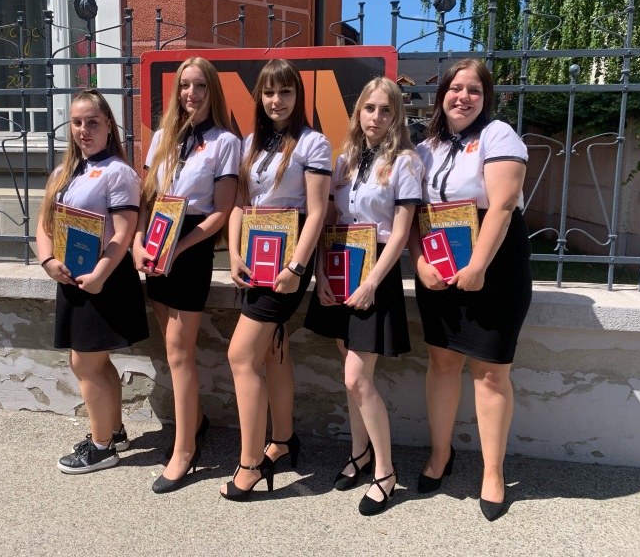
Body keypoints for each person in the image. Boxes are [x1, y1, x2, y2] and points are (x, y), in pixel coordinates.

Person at [406, 58, 532, 521]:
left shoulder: (499, 135)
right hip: (439, 260)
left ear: (486, 98)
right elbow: (413, 213)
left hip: (495, 264)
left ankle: (493, 472)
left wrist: (479, 265)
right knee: (442, 361)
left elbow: (502, 204)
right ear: (441, 95)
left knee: (491, 372)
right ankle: (441, 454)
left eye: (474, 90)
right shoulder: (424, 148)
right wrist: (419, 261)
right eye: (455, 88)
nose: (463, 97)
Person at [304, 77, 423, 516]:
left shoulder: (405, 162)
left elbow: (402, 231)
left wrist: (372, 281)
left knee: (357, 377)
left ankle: (386, 471)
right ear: (359, 112)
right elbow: (328, 219)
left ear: (397, 116)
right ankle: (359, 454)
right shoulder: (345, 160)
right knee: (349, 371)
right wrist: (321, 272)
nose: (376, 117)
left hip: (376, 273)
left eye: (385, 110)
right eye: (369, 108)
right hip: (339, 268)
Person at [220, 59, 332, 501]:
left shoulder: (313, 142)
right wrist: (233, 253)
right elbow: (239, 204)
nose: (276, 100)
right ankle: (282, 441)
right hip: (254, 257)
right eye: (268, 92)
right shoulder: (249, 143)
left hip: (288, 260)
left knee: (240, 355)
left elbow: (317, 212)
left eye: (285, 91)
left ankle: (250, 463)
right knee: (272, 350)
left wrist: (297, 268)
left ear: (298, 95)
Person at [132, 57, 240, 493]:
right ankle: (195, 421)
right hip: (157, 242)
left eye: (199, 86)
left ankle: (185, 451)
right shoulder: (162, 137)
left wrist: (180, 247)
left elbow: (221, 212)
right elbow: (146, 198)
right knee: (170, 345)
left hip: (190, 249)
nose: (191, 94)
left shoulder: (225, 142)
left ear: (212, 90)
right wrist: (139, 242)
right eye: (184, 86)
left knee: (180, 352)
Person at [36, 89, 150, 474]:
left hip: (105, 280)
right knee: (94, 363)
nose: (84, 130)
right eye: (77, 122)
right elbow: (44, 225)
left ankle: (101, 447)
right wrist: (48, 261)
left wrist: (100, 275)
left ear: (109, 127)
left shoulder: (119, 172)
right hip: (69, 278)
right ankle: (113, 431)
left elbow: (124, 231)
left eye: (92, 122)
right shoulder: (62, 173)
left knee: (85, 363)